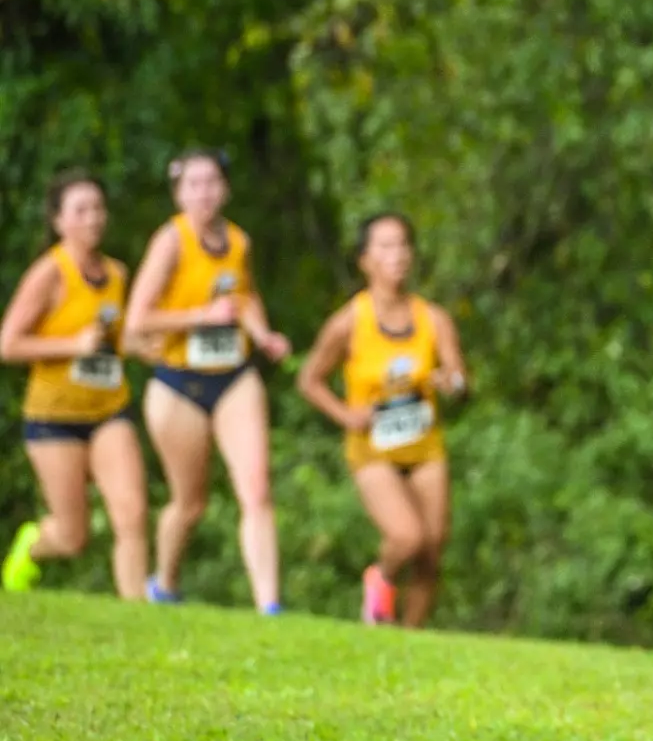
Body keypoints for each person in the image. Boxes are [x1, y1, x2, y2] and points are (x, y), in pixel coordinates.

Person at [125, 150, 291, 612]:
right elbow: (137, 320)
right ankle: (166, 582)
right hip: (178, 384)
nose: (204, 193)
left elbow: (246, 296)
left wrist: (263, 335)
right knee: (190, 502)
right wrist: (201, 315)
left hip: (234, 377)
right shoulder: (171, 241)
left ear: (226, 188)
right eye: (193, 184)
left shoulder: (238, 241)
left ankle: (269, 606)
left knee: (256, 488)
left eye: (212, 182)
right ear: (179, 194)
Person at [296, 213, 466, 628]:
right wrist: (345, 414)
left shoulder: (433, 319)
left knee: (433, 547)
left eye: (404, 245)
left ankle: (410, 640)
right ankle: (382, 578)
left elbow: (459, 377)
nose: (397, 255)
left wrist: (452, 382)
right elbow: (309, 380)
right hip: (372, 447)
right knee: (407, 538)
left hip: (424, 444)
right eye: (385, 247)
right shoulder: (349, 322)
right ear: (365, 260)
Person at [0, 172, 150, 598]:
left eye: (98, 209)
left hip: (108, 410)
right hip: (53, 418)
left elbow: (116, 342)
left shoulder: (117, 275)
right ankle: (31, 546)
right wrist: (71, 345)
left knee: (133, 513)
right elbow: (8, 344)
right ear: (59, 221)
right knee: (73, 536)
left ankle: (138, 614)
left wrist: (145, 345)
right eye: (81, 210)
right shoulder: (49, 273)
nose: (93, 219)